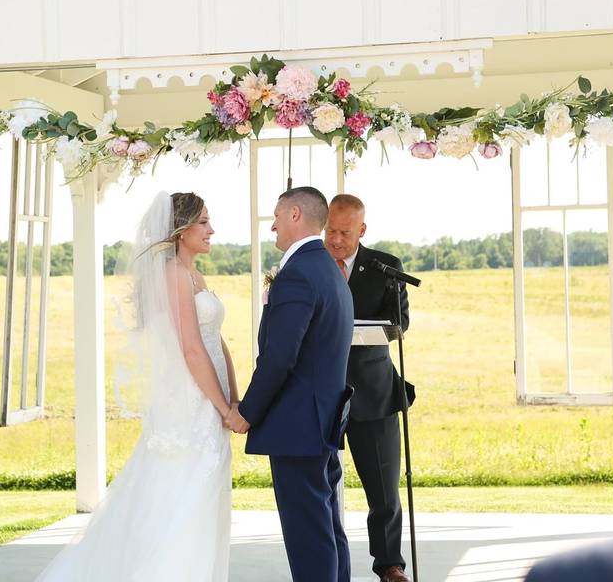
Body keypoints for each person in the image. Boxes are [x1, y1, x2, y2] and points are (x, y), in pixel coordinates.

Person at [36, 192, 238, 581]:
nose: (211, 230)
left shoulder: (195, 275)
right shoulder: (173, 276)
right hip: (188, 401)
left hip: (209, 400)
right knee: (181, 496)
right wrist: (224, 407)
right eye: (203, 222)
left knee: (205, 495)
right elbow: (192, 350)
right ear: (180, 230)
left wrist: (234, 396)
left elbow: (216, 341)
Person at [226, 186, 354, 582]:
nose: (273, 227)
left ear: (295, 214)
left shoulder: (297, 275)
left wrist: (247, 411)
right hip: (321, 424)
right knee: (327, 528)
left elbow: (280, 358)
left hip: (298, 427)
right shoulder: (328, 270)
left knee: (309, 536)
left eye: (277, 217)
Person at [325, 194, 412, 582]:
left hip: (372, 392)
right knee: (320, 486)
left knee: (383, 489)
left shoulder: (385, 267)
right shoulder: (312, 263)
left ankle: (389, 564)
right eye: (330, 229)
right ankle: (326, 559)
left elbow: (399, 324)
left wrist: (355, 329)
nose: (336, 239)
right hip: (321, 391)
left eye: (345, 232)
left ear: (362, 230)